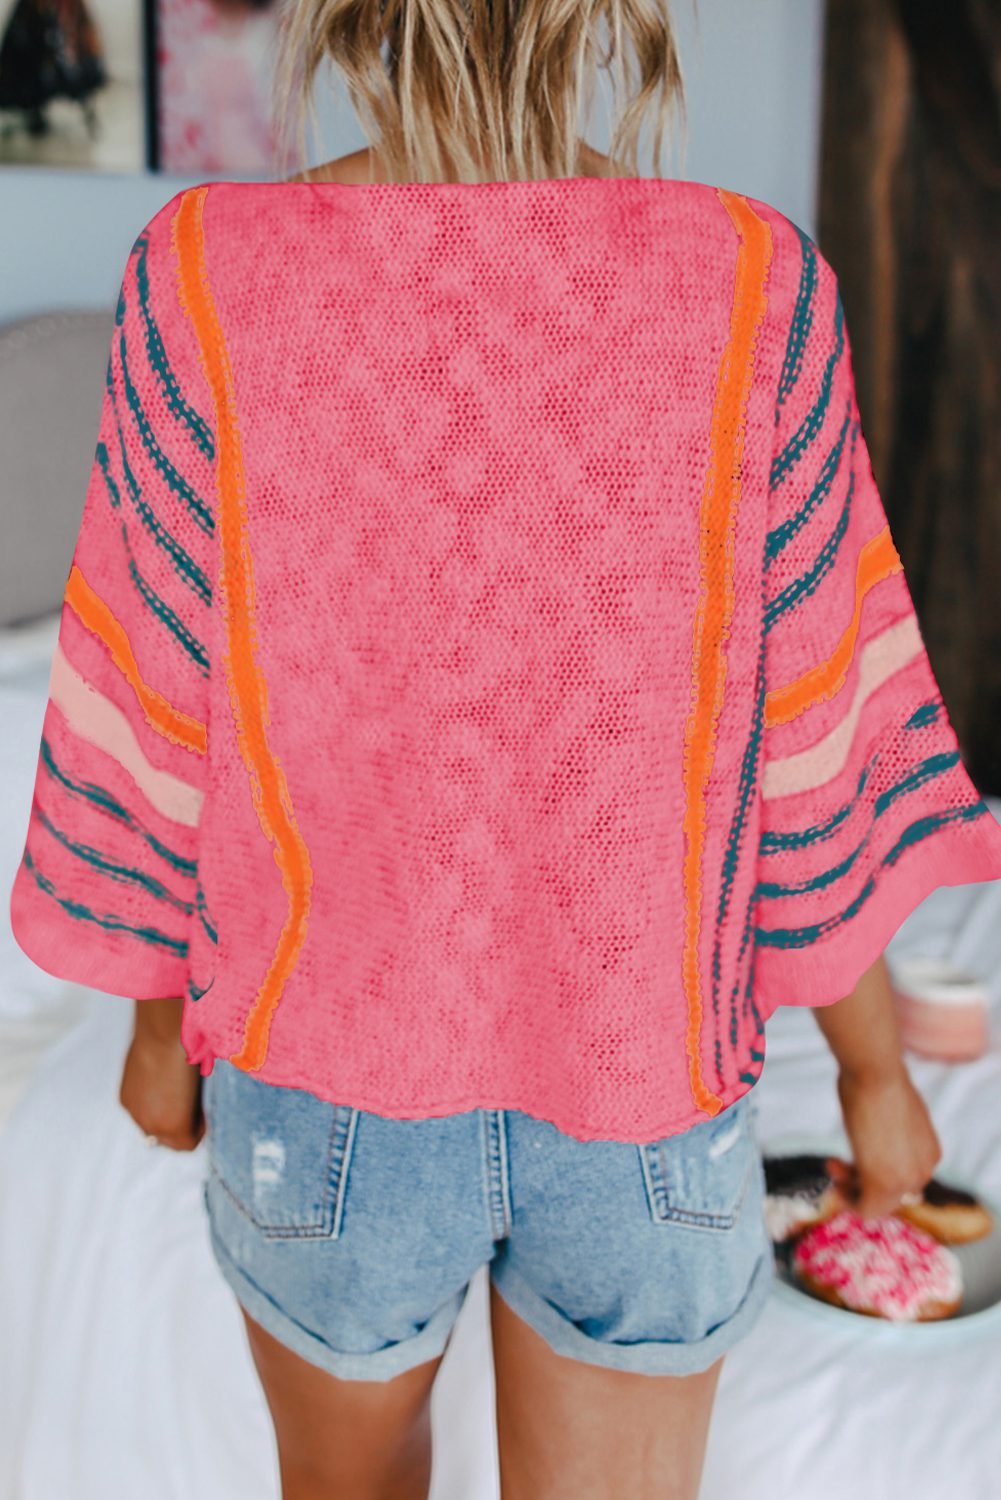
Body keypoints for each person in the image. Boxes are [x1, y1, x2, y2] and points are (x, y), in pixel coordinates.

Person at [10, 2, 1001, 1496]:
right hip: (644, 1098)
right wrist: (874, 1070)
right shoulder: (752, 282)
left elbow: (154, 721)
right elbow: (804, 755)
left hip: (323, 1094)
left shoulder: (201, 272)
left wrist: (160, 1041)